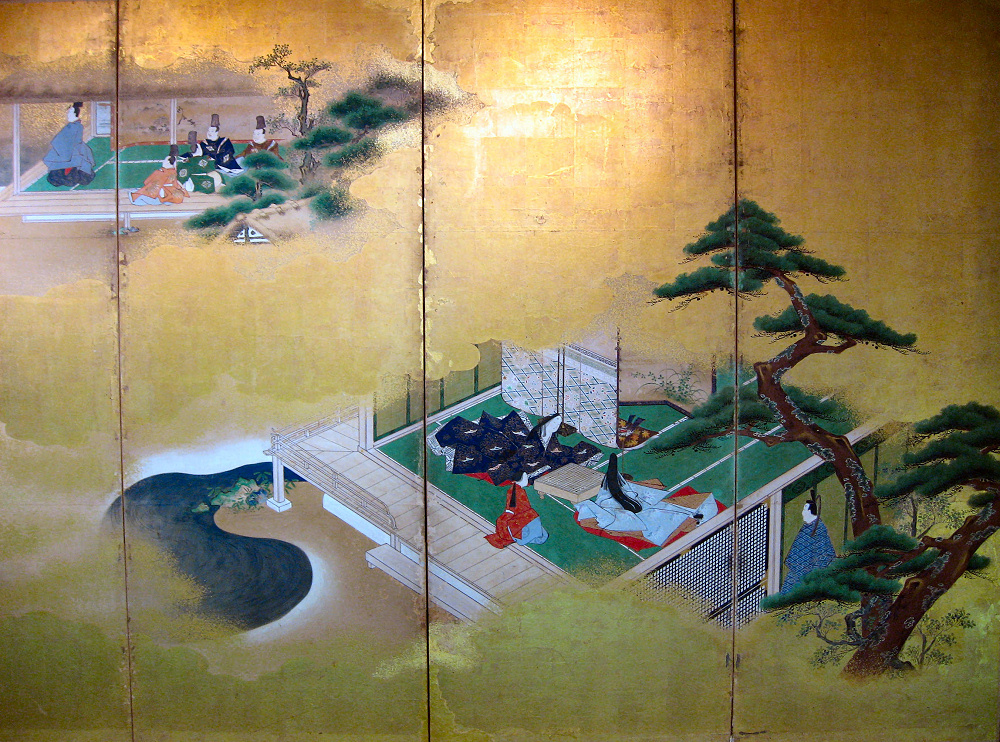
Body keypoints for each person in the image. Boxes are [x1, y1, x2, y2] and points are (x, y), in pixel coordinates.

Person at [780, 497, 837, 593]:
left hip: (810, 572)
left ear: (810, 511)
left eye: (804, 510)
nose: (802, 513)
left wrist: (813, 572)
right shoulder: (807, 526)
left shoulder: (819, 528)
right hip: (798, 569)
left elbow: (823, 553)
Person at [44, 102, 96, 187]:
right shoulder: (82, 166)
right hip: (72, 155)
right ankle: (74, 119)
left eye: (70, 112)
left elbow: (65, 144)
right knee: (70, 143)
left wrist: (74, 123)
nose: (68, 115)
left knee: (67, 143)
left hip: (68, 155)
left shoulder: (56, 168)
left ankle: (74, 119)